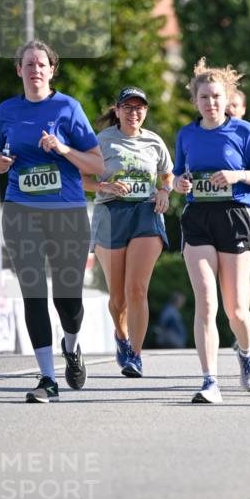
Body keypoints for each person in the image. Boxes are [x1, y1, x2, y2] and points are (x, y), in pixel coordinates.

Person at [0, 40, 103, 403]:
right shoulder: (6, 111)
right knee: (34, 293)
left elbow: (97, 165)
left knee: (67, 299)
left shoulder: (68, 108)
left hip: (66, 213)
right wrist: (0, 163)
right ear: (19, 70)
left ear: (52, 70)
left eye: (42, 64)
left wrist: (62, 149)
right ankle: (47, 378)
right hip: (21, 211)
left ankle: (71, 346)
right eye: (29, 64)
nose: (35, 69)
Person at [173, 58, 250, 404]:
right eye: (204, 97)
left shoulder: (244, 132)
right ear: (195, 100)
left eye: (217, 96)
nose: (211, 103)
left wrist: (238, 175)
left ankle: (246, 353)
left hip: (236, 218)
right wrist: (179, 183)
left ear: (226, 97)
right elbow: (176, 177)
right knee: (205, 302)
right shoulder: (186, 134)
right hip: (198, 217)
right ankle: (209, 381)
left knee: (236, 309)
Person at [82, 86, 173, 377]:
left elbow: (167, 175)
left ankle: (135, 354)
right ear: (118, 111)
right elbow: (82, 178)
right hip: (111, 214)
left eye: (140, 108)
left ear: (145, 111)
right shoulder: (103, 141)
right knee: (117, 297)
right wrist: (104, 186)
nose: (135, 113)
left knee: (137, 289)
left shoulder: (154, 142)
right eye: (129, 108)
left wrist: (164, 191)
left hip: (145, 214)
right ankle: (120, 335)